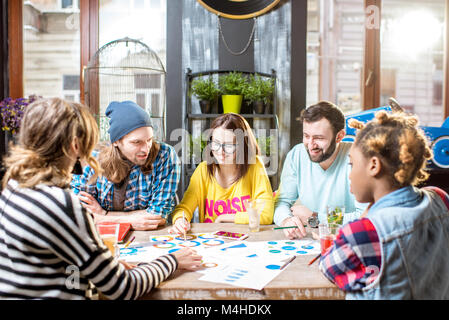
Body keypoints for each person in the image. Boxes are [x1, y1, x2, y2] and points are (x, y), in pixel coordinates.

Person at [0, 98, 202, 300]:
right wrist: (172, 260)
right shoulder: (62, 204)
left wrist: (104, 266)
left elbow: (51, 265)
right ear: (74, 146)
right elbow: (123, 288)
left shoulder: (15, 187)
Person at [319, 110, 449, 299]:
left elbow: (329, 268)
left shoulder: (363, 232)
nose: (350, 175)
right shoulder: (440, 197)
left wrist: (366, 216)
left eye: (352, 164)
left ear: (374, 166)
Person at [71, 100, 180, 231]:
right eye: (136, 142)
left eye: (149, 140)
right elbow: (79, 215)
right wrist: (132, 220)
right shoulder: (92, 159)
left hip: (150, 237)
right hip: (104, 237)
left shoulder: (164, 155)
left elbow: (157, 217)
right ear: (116, 141)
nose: (146, 149)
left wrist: (103, 215)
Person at [274, 101, 366, 239]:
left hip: (349, 242)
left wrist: (315, 218)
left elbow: (365, 216)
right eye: (306, 136)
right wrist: (287, 220)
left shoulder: (357, 156)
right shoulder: (296, 154)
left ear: (339, 136)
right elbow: (282, 202)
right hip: (311, 241)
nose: (311, 145)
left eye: (319, 138)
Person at [169, 113, 274, 234]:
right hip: (212, 243)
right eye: (216, 144)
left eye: (229, 146)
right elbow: (184, 208)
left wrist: (224, 218)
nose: (221, 152)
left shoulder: (255, 166)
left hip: (247, 241)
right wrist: (180, 221)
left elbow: (266, 214)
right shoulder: (203, 170)